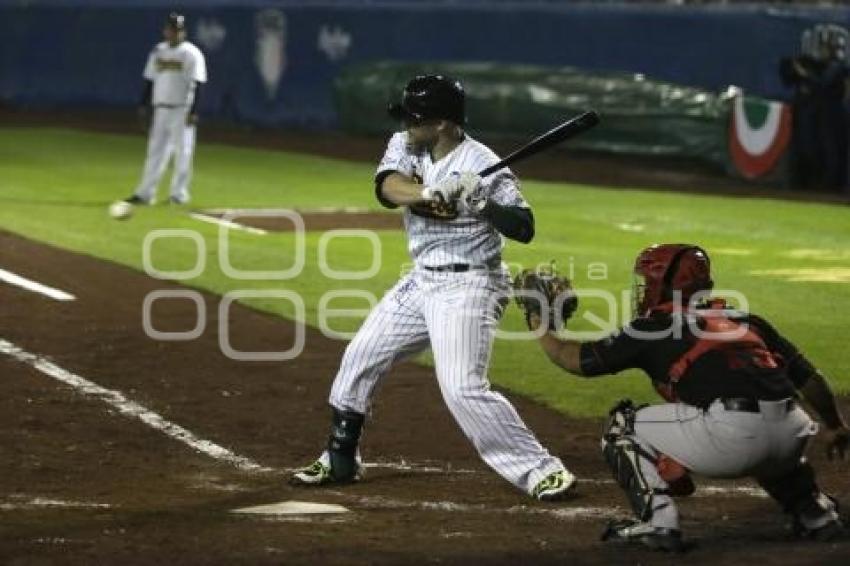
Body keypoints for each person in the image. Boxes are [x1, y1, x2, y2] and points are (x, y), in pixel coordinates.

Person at [290, 75, 576, 501]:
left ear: (441, 123)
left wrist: (482, 201)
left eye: (415, 119)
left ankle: (540, 469)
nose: (407, 125)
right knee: (360, 356)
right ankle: (339, 459)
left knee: (462, 387)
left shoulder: (483, 162)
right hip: (422, 279)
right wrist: (429, 190)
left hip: (471, 284)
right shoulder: (407, 144)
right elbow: (387, 187)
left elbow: (524, 227)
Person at [514, 244, 847, 551]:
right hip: (795, 433)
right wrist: (834, 425)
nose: (642, 289)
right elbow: (810, 379)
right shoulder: (747, 319)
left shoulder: (651, 327)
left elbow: (571, 359)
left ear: (662, 285)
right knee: (769, 425)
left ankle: (659, 523)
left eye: (647, 281)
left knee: (622, 424)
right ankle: (816, 514)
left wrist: (540, 322)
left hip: (733, 440)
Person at [125, 13, 207, 206]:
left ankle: (178, 194)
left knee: (183, 153)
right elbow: (149, 79)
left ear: (183, 32)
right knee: (155, 151)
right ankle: (145, 194)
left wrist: (194, 111)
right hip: (160, 109)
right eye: (171, 28)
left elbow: (199, 83)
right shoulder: (157, 51)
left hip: (182, 109)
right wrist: (143, 104)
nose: (174, 32)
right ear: (165, 30)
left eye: (177, 29)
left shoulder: (192, 53)